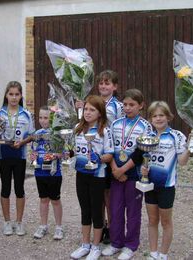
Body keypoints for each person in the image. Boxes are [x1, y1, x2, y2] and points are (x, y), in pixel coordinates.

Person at [142, 101, 193, 260]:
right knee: (152, 220)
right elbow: (145, 159)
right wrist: (143, 169)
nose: (158, 118)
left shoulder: (176, 136)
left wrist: (189, 146)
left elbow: (182, 162)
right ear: (150, 119)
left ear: (168, 117)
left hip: (167, 186)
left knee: (166, 222)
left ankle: (163, 254)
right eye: (155, 116)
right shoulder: (147, 136)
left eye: (161, 115)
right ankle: (153, 253)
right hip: (149, 185)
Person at [102, 88, 152, 260]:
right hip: (115, 173)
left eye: (132, 105)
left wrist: (123, 170)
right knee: (115, 210)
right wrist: (115, 169)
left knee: (133, 212)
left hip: (134, 175)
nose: (128, 108)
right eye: (125, 104)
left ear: (141, 106)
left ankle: (131, 245)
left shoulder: (145, 126)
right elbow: (110, 149)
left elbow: (140, 152)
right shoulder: (115, 125)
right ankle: (116, 242)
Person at [76, 70, 124, 244]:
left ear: (115, 86)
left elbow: (121, 129)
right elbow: (80, 129)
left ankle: (111, 228)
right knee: (98, 197)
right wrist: (79, 110)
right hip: (93, 150)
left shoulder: (118, 106)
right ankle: (101, 224)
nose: (103, 86)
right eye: (101, 83)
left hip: (110, 151)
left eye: (107, 83)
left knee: (108, 195)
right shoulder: (92, 103)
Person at [70, 95, 114, 260]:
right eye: (86, 109)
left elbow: (110, 155)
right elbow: (74, 150)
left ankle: (95, 246)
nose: (88, 113)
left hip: (98, 176)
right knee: (84, 210)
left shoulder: (104, 131)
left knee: (96, 211)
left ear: (100, 113)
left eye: (92, 110)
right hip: (81, 174)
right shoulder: (78, 128)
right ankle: (85, 244)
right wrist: (69, 153)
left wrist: (99, 158)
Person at [0, 81, 35, 236]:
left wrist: (22, 142)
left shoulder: (26, 114)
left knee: (19, 189)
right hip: (3, 156)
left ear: (21, 96)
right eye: (11, 94)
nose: (13, 97)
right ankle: (6, 222)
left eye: (17, 94)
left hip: (20, 156)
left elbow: (32, 135)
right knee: (5, 188)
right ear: (6, 95)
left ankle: (19, 222)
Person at [31, 106, 64, 240]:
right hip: (40, 172)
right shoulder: (37, 133)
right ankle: (43, 225)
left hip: (54, 172)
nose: (43, 121)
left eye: (46, 118)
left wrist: (54, 156)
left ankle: (59, 227)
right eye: (40, 117)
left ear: (52, 119)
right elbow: (34, 149)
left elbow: (64, 153)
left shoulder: (57, 134)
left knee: (55, 200)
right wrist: (33, 157)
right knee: (43, 199)